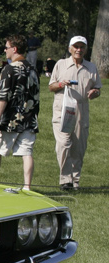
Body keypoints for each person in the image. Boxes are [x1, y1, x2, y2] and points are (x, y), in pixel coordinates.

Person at [48, 36, 101, 190]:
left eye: (82, 47)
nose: (79, 50)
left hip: (81, 112)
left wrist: (94, 92)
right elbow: (51, 86)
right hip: (63, 111)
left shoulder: (91, 67)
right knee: (63, 144)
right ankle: (65, 180)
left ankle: (75, 181)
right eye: (76, 47)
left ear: (85, 49)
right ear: (70, 48)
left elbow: (98, 88)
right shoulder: (61, 64)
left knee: (78, 148)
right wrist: (60, 84)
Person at [0, 34, 40, 190]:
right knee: (27, 152)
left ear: (14, 49)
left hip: (10, 119)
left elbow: (3, 96)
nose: (5, 50)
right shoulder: (33, 69)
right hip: (29, 118)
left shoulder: (9, 69)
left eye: (7, 47)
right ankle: (27, 186)